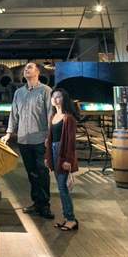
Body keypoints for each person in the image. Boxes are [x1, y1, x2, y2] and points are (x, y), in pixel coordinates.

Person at [1, 62, 54, 219]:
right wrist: (9, 132)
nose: (26, 70)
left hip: (40, 139)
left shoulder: (46, 91)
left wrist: (49, 136)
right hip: (24, 140)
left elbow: (50, 115)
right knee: (31, 173)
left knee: (42, 172)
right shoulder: (19, 93)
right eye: (25, 69)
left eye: (30, 67)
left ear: (38, 72)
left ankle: (45, 205)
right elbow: (14, 114)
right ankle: (36, 203)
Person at [45, 87, 79, 231]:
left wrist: (68, 160)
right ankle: (67, 218)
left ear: (64, 99)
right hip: (54, 151)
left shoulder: (68, 118)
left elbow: (71, 142)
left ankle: (71, 219)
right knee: (61, 187)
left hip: (63, 152)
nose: (55, 99)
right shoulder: (53, 117)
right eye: (53, 96)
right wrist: (48, 157)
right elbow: (50, 138)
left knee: (63, 187)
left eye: (59, 96)